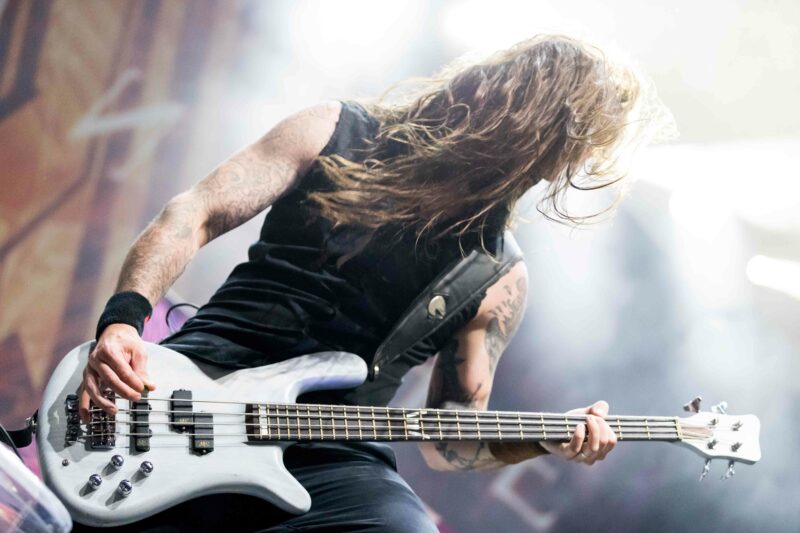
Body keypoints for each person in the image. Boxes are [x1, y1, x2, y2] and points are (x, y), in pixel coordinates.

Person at [75, 35, 652, 531]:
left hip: (331, 451)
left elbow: (450, 441)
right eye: (567, 148)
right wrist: (124, 321)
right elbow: (195, 211)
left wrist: (545, 439)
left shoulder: (497, 273)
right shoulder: (336, 130)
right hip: (199, 388)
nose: (559, 171)